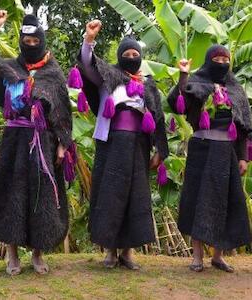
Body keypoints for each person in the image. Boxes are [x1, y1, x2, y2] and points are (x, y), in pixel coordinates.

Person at [0, 11, 74, 275]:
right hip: (15, 141)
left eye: (34, 41)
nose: (31, 45)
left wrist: (63, 145)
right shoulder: (11, 68)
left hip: (45, 143)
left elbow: (62, 113)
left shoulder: (53, 73)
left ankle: (38, 254)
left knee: (42, 198)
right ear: (20, 42)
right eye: (26, 42)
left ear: (42, 40)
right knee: (12, 195)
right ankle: (13, 255)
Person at [77, 20, 169, 269]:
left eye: (135, 54)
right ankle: (109, 251)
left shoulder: (149, 84)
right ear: (119, 56)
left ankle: (127, 253)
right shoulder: (108, 75)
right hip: (112, 143)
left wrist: (161, 150)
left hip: (138, 146)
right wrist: (89, 39)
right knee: (110, 196)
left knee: (135, 198)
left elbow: (158, 119)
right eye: (126, 54)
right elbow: (87, 64)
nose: (131, 57)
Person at [168, 45, 252, 273]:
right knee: (198, 201)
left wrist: (243, 157)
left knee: (224, 203)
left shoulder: (235, 89)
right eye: (217, 58)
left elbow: (244, 128)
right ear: (208, 60)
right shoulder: (196, 83)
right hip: (202, 149)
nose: (222, 62)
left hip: (227, 153)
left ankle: (218, 256)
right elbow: (176, 102)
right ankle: (196, 256)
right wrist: (184, 75)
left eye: (226, 59)